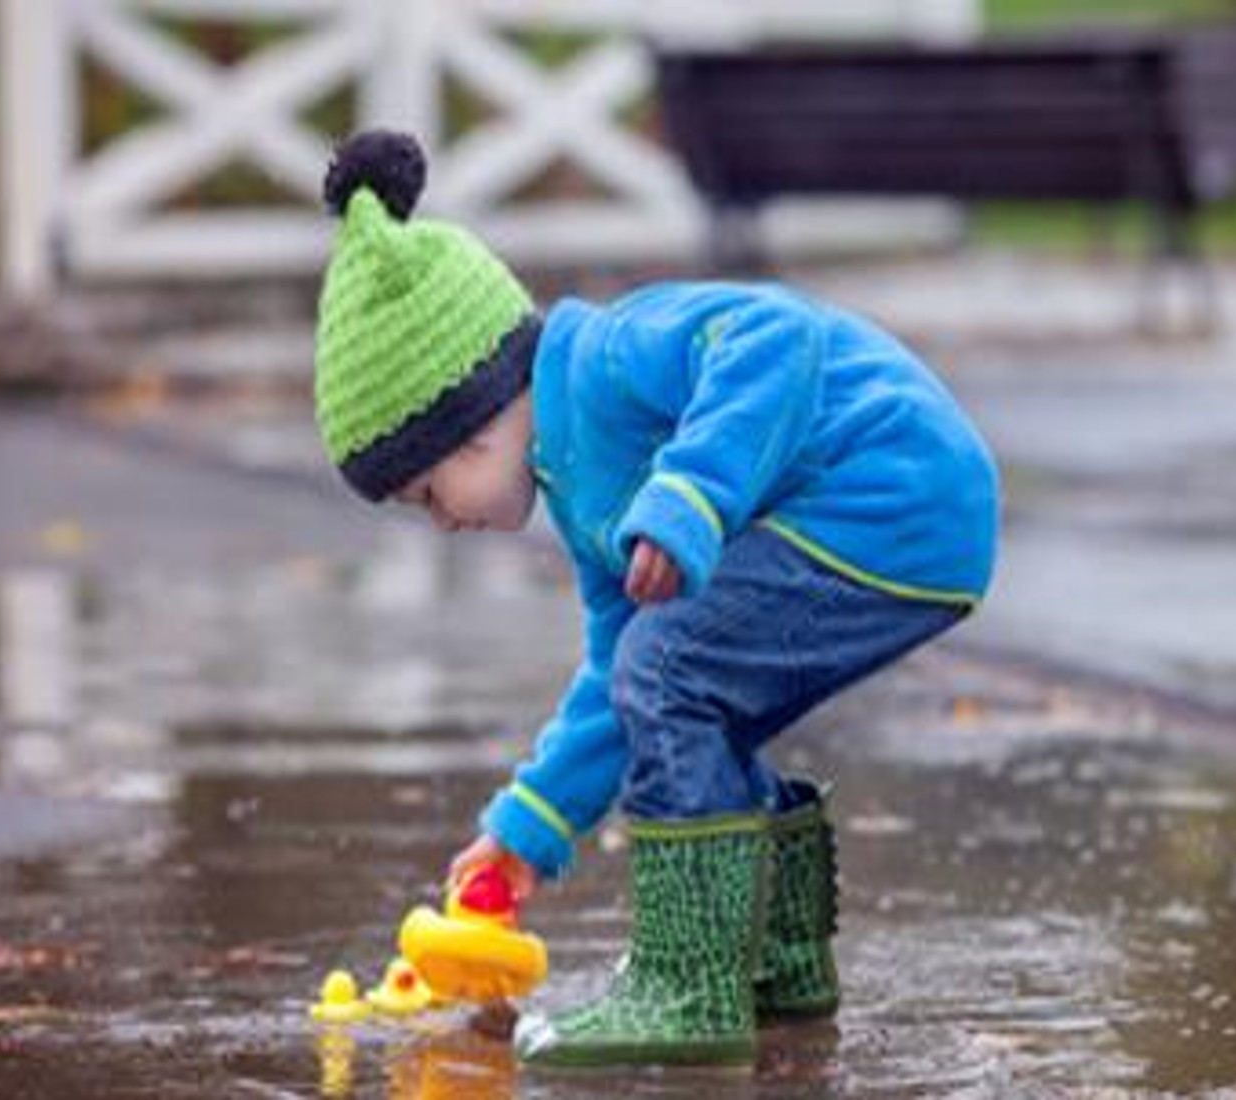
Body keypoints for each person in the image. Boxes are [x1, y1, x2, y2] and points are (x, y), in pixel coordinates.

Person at [312, 130, 1001, 1068]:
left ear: (467, 421)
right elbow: (614, 681)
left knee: (669, 667)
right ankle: (776, 963)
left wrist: (689, 494)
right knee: (678, 684)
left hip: (890, 492)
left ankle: (687, 986)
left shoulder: (603, 358)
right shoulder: (578, 489)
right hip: (897, 522)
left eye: (427, 494)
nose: (440, 523)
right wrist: (527, 827)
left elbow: (776, 338)